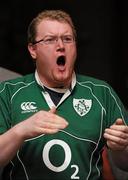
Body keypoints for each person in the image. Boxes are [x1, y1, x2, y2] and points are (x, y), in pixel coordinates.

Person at [0, 9, 128, 180]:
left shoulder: (102, 92)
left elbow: (124, 164)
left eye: (67, 39)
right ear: (33, 50)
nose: (61, 46)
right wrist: (21, 130)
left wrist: (122, 148)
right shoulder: (8, 92)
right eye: (50, 40)